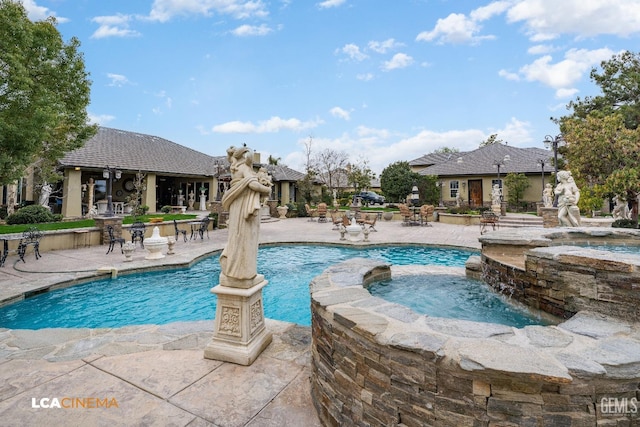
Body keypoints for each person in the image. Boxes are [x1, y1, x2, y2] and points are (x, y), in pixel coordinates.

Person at [219, 145, 273, 286]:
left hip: (237, 206)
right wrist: (267, 190)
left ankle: (234, 270)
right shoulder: (245, 168)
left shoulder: (236, 169)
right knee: (244, 238)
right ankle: (242, 272)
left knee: (237, 237)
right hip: (243, 207)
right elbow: (254, 185)